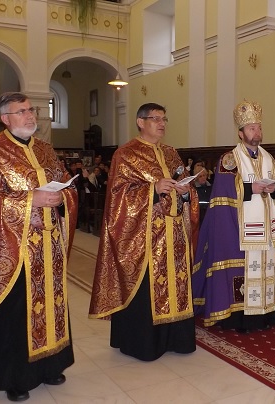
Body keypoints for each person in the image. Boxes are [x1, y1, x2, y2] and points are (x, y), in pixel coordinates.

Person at [0, 92, 78, 401]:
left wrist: (62, 197)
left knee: (52, 305)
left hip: (49, 245)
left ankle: (50, 365)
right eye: (21, 112)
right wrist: (30, 203)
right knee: (16, 313)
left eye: (32, 110)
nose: (31, 116)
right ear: (5, 118)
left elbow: (66, 185)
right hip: (14, 251)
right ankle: (14, 378)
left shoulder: (46, 150)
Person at [192, 100, 275, 332]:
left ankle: (266, 315)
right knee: (241, 271)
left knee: (267, 269)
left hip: (267, 230)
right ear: (241, 133)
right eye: (251, 128)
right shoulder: (229, 160)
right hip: (240, 228)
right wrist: (252, 189)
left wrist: (274, 189)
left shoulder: (269, 159)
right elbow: (223, 193)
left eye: (259, 127)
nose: (257, 132)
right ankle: (239, 318)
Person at [89, 103, 199, 361]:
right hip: (145, 238)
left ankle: (177, 339)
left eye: (164, 118)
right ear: (140, 122)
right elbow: (117, 198)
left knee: (177, 284)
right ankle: (144, 343)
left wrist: (186, 191)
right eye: (155, 118)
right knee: (146, 287)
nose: (162, 123)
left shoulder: (171, 153)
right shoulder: (126, 154)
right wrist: (152, 190)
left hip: (174, 235)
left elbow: (184, 185)